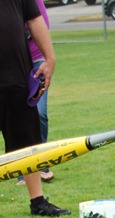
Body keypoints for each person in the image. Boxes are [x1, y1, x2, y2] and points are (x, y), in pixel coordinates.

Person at [1, 0, 70, 217]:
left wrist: (50, 58)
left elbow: (34, 18)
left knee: (28, 142)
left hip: (17, 78)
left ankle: (37, 201)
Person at [16, 0, 54, 185]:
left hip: (37, 60)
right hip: (14, 62)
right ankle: (24, 170)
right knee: (19, 116)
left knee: (39, 112)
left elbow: (41, 22)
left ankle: (42, 164)